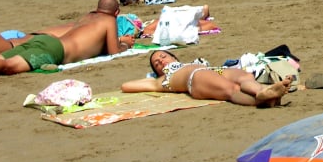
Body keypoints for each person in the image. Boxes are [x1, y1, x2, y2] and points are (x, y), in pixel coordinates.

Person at [0, 0, 128, 80]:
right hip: (54, 49)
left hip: (43, 41)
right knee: (8, 65)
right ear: (117, 13)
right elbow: (113, 52)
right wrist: (125, 45)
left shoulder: (87, 17)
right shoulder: (109, 20)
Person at [121, 50, 291, 107]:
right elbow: (126, 86)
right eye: (156, 63)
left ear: (174, 58)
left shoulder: (191, 62)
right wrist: (155, 79)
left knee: (243, 76)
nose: (160, 60)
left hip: (213, 70)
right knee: (230, 90)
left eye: (163, 56)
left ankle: (262, 91)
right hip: (194, 78)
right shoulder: (161, 80)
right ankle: (260, 101)